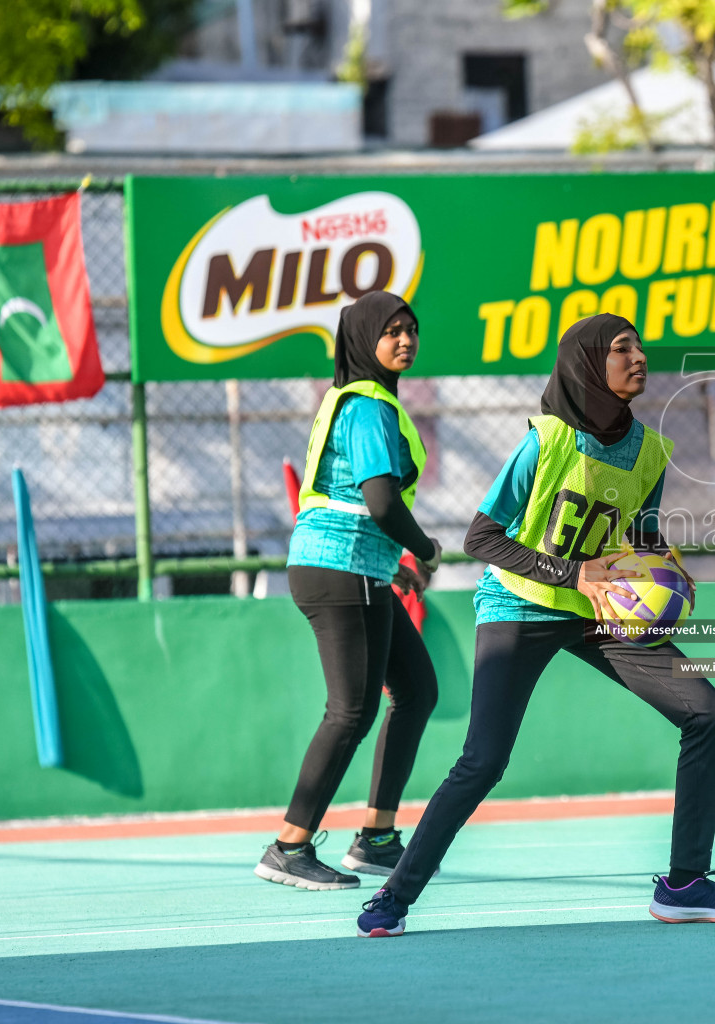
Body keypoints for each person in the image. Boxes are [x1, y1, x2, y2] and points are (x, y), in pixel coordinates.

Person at [356, 313, 715, 937]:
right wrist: (573, 575)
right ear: (585, 364)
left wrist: (662, 568)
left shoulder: (650, 452)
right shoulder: (545, 441)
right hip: (520, 603)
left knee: (705, 710)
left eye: (640, 347)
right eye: (621, 349)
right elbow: (481, 537)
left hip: (600, 611)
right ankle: (393, 897)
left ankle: (685, 882)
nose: (639, 357)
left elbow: (639, 534)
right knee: (483, 762)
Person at [256, 291, 442, 891]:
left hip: (355, 565)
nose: (405, 340)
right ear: (364, 339)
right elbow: (381, 502)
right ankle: (289, 845)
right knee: (350, 711)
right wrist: (424, 547)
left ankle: (377, 837)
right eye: (392, 331)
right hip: (342, 569)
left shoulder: (368, 400)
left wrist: (394, 565)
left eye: (411, 329)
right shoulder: (366, 405)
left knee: (416, 690)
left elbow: (352, 504)